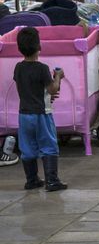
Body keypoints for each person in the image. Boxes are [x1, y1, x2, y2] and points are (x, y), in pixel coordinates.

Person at [13, 27, 66, 192]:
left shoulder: (18, 68)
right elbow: (52, 90)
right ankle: (52, 181)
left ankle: (31, 179)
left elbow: (24, 87)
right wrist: (58, 76)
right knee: (48, 145)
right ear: (39, 47)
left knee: (27, 148)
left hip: (23, 114)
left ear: (20, 48)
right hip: (42, 114)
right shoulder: (42, 68)